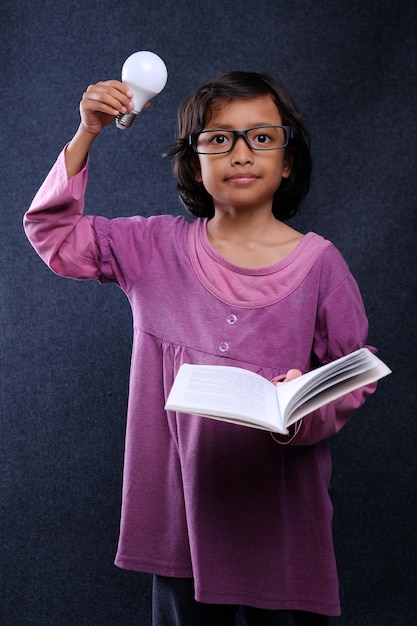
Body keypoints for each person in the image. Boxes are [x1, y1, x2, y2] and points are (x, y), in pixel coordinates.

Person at [24, 71, 377, 626]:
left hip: (278, 517)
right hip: (178, 516)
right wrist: (87, 132)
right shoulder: (151, 247)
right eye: (219, 139)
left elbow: (354, 374)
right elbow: (56, 236)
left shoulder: (320, 264)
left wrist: (301, 406)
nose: (241, 153)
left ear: (287, 160)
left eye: (262, 137)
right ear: (193, 162)